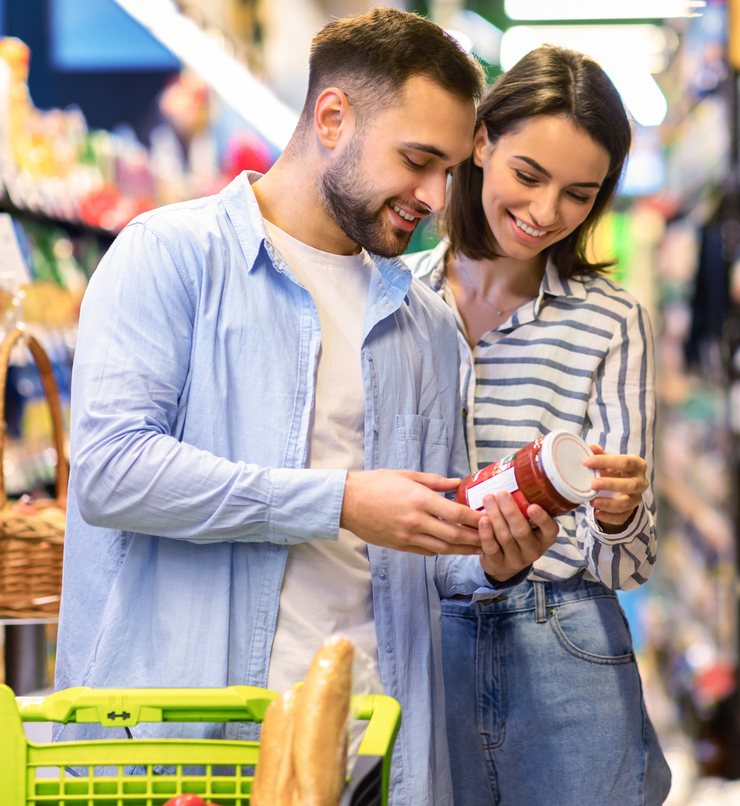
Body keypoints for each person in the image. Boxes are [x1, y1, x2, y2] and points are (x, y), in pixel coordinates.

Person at [55, 10, 558, 806]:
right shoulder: (169, 257)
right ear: (332, 118)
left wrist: (493, 554)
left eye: (451, 171)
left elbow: (428, 553)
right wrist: (340, 502)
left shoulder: (426, 325)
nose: (435, 197)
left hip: (377, 754)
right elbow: (113, 475)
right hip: (191, 750)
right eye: (418, 160)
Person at [404, 45, 671, 806]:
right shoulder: (397, 302)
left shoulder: (611, 321)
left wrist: (620, 515)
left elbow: (631, 567)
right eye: (529, 175)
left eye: (580, 193)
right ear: (481, 141)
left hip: (566, 641)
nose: (547, 212)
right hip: (427, 638)